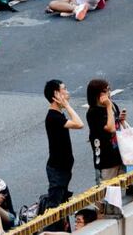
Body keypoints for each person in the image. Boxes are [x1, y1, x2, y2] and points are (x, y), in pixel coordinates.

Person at [44, 79, 84, 232]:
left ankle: (62, 230)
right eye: (64, 90)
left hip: (63, 168)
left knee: (62, 203)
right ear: (55, 95)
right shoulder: (53, 117)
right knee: (54, 207)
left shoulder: (57, 115)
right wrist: (67, 105)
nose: (67, 92)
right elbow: (79, 124)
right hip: (57, 170)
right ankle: (51, 231)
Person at [86, 79, 125, 216]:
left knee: (119, 191)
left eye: (109, 89)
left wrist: (120, 119)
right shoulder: (93, 113)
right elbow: (110, 128)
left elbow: (115, 125)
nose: (109, 93)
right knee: (104, 193)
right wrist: (108, 107)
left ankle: (116, 215)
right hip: (105, 160)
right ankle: (102, 218)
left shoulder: (112, 105)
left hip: (119, 154)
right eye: (105, 91)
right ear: (96, 94)